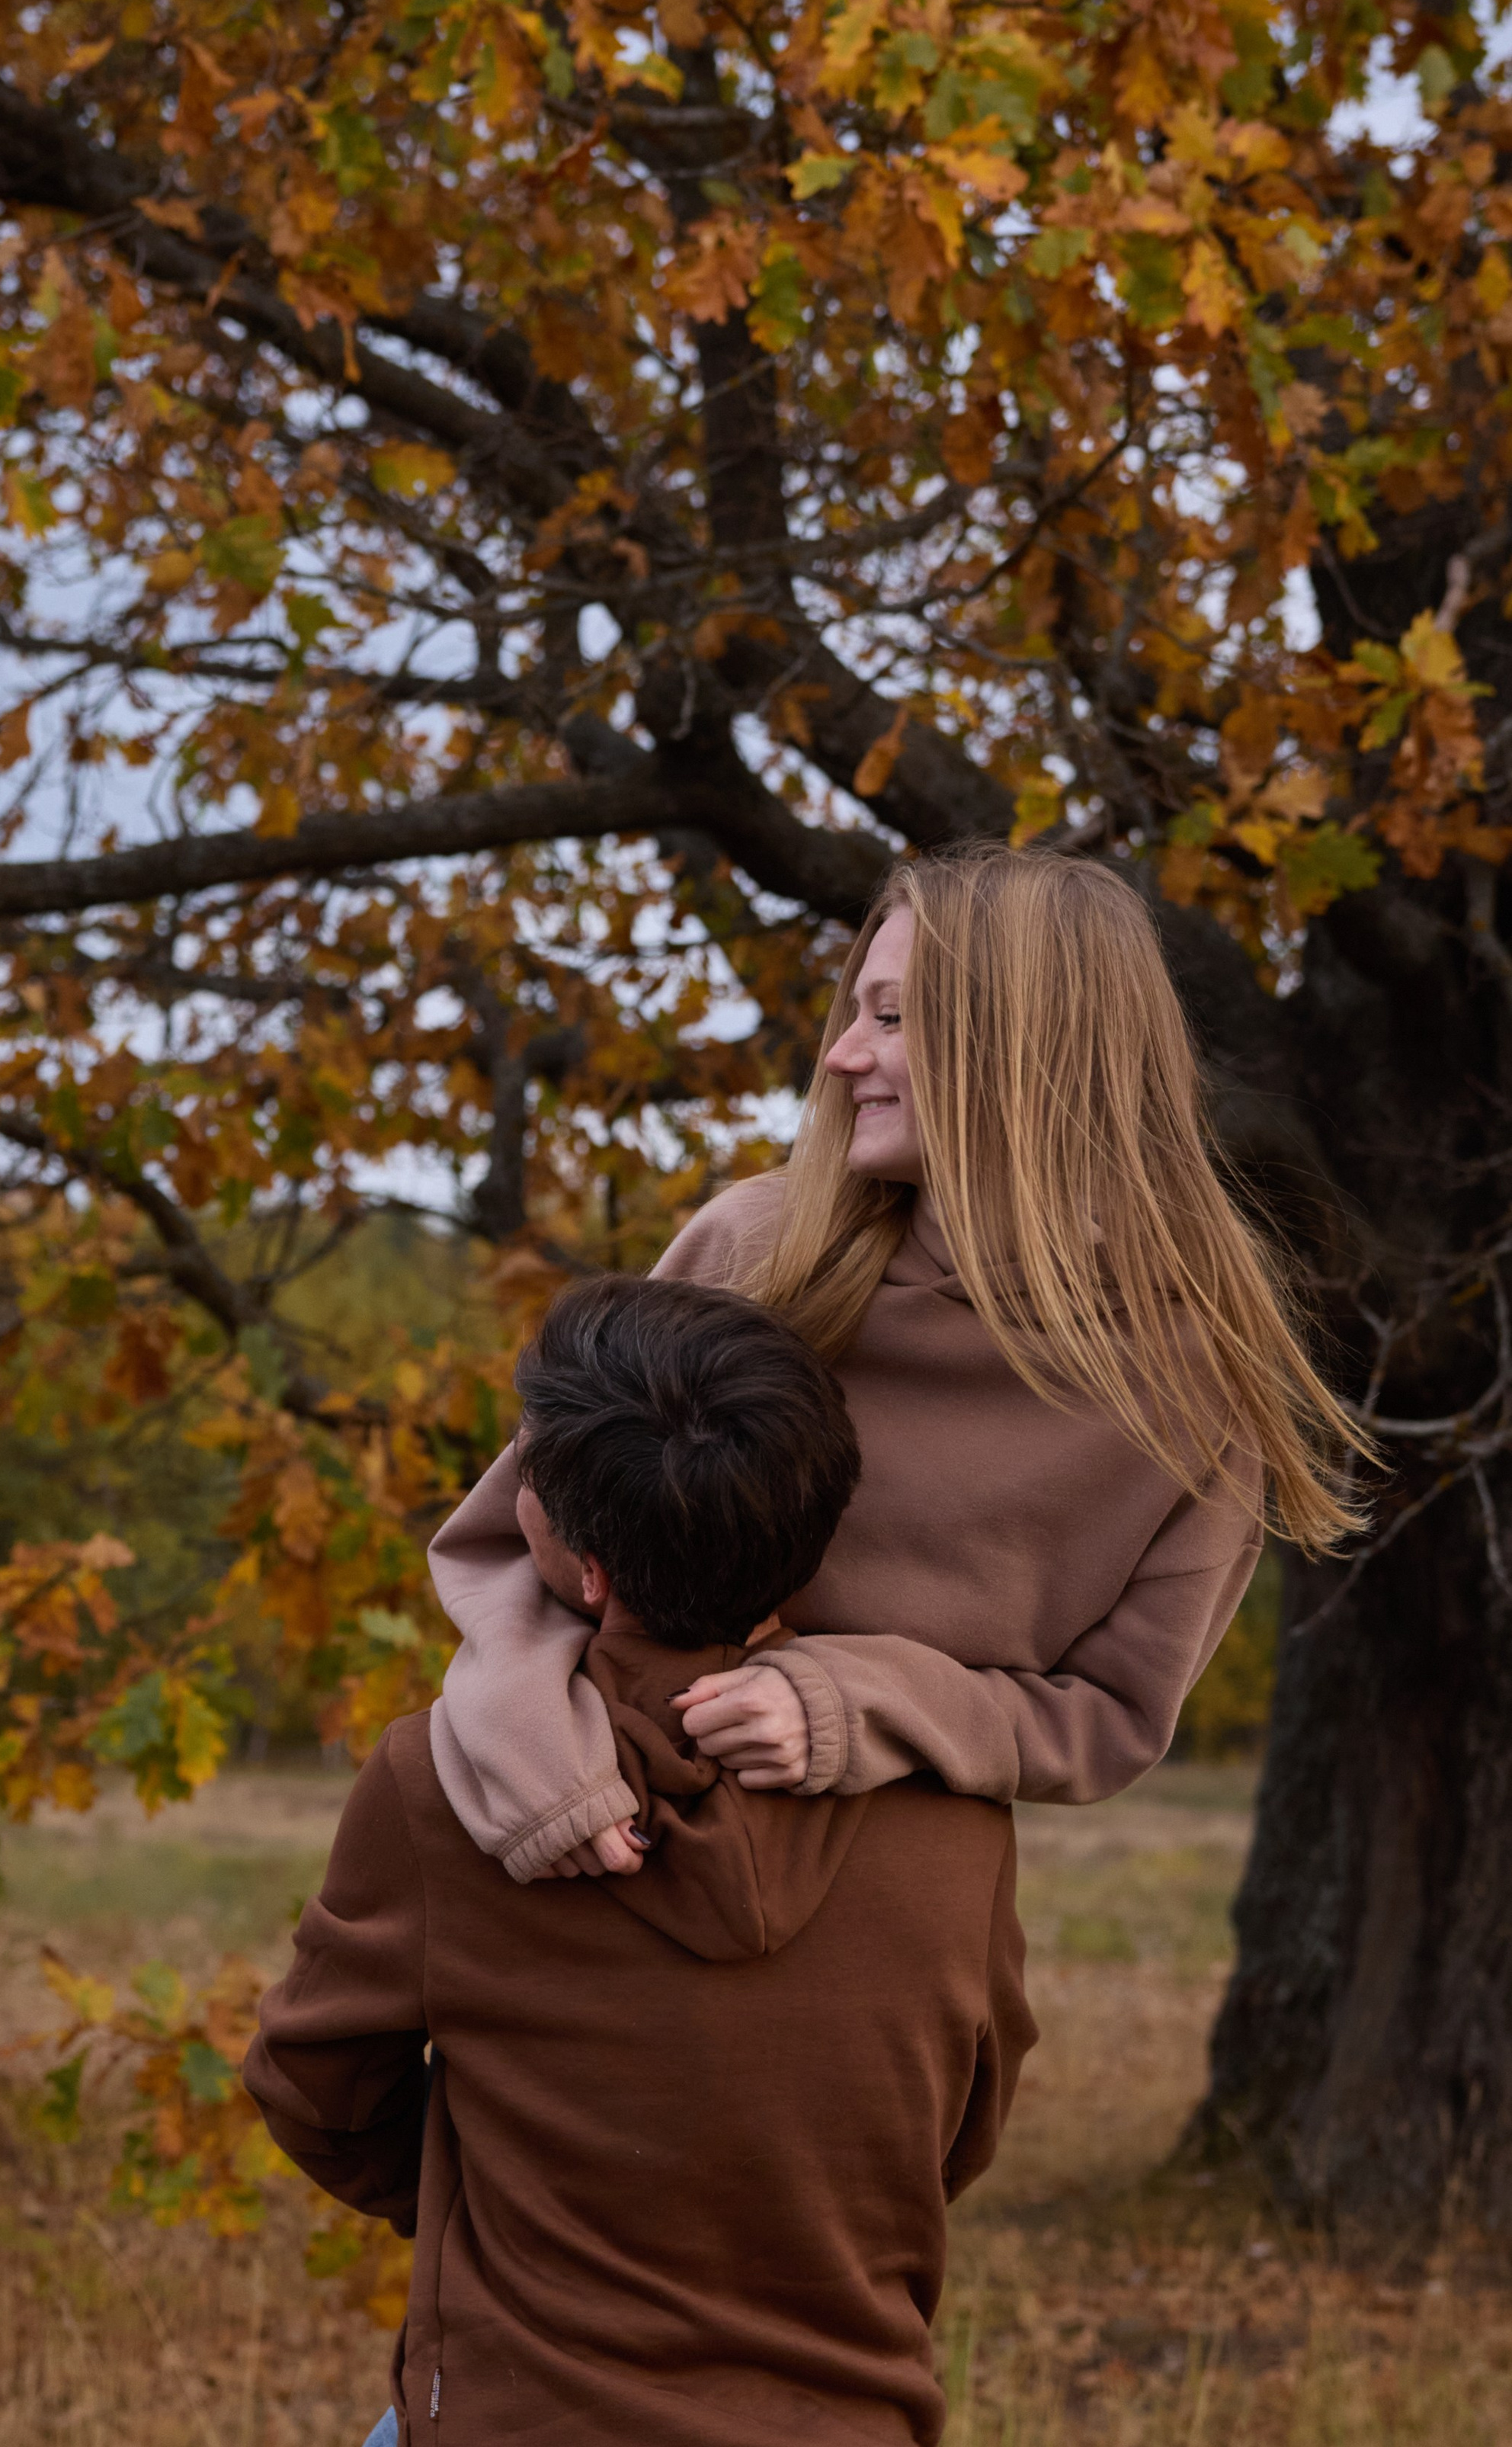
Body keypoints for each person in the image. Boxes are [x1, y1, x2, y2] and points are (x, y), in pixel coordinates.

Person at [427, 843, 1366, 1884]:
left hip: (899, 1909)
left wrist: (855, 1700)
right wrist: (534, 1751)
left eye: (890, 1017)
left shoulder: (1203, 1372)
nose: (839, 1056)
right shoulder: (755, 1250)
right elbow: (515, 1539)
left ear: (1026, 1047)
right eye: (856, 1013)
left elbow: (1111, 1719)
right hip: (603, 1839)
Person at [243, 1272, 1036, 2447]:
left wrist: (516, 2206)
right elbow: (960, 2128)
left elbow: (312, 2086)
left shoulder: (438, 1790)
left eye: (531, 1479)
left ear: (591, 1572)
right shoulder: (956, 1813)